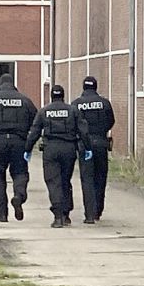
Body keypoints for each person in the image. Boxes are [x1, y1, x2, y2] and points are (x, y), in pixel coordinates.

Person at [25, 85, 92, 228]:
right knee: (65, 181)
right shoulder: (73, 110)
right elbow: (83, 131)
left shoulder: (44, 111)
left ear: (51, 96)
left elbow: (34, 132)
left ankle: (58, 216)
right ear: (63, 96)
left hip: (51, 150)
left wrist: (28, 149)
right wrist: (87, 148)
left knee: (53, 182)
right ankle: (66, 213)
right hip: (69, 149)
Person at [0, 73, 38, 223]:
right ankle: (19, 195)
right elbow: (35, 118)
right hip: (19, 141)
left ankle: (2, 214)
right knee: (20, 173)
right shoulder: (24, 100)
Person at [72, 76, 115, 224]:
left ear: (83, 87)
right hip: (101, 143)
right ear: (96, 87)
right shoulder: (104, 103)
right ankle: (98, 210)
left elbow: (73, 124)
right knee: (100, 177)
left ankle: (89, 214)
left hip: (85, 146)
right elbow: (111, 121)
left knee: (87, 179)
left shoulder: (76, 104)